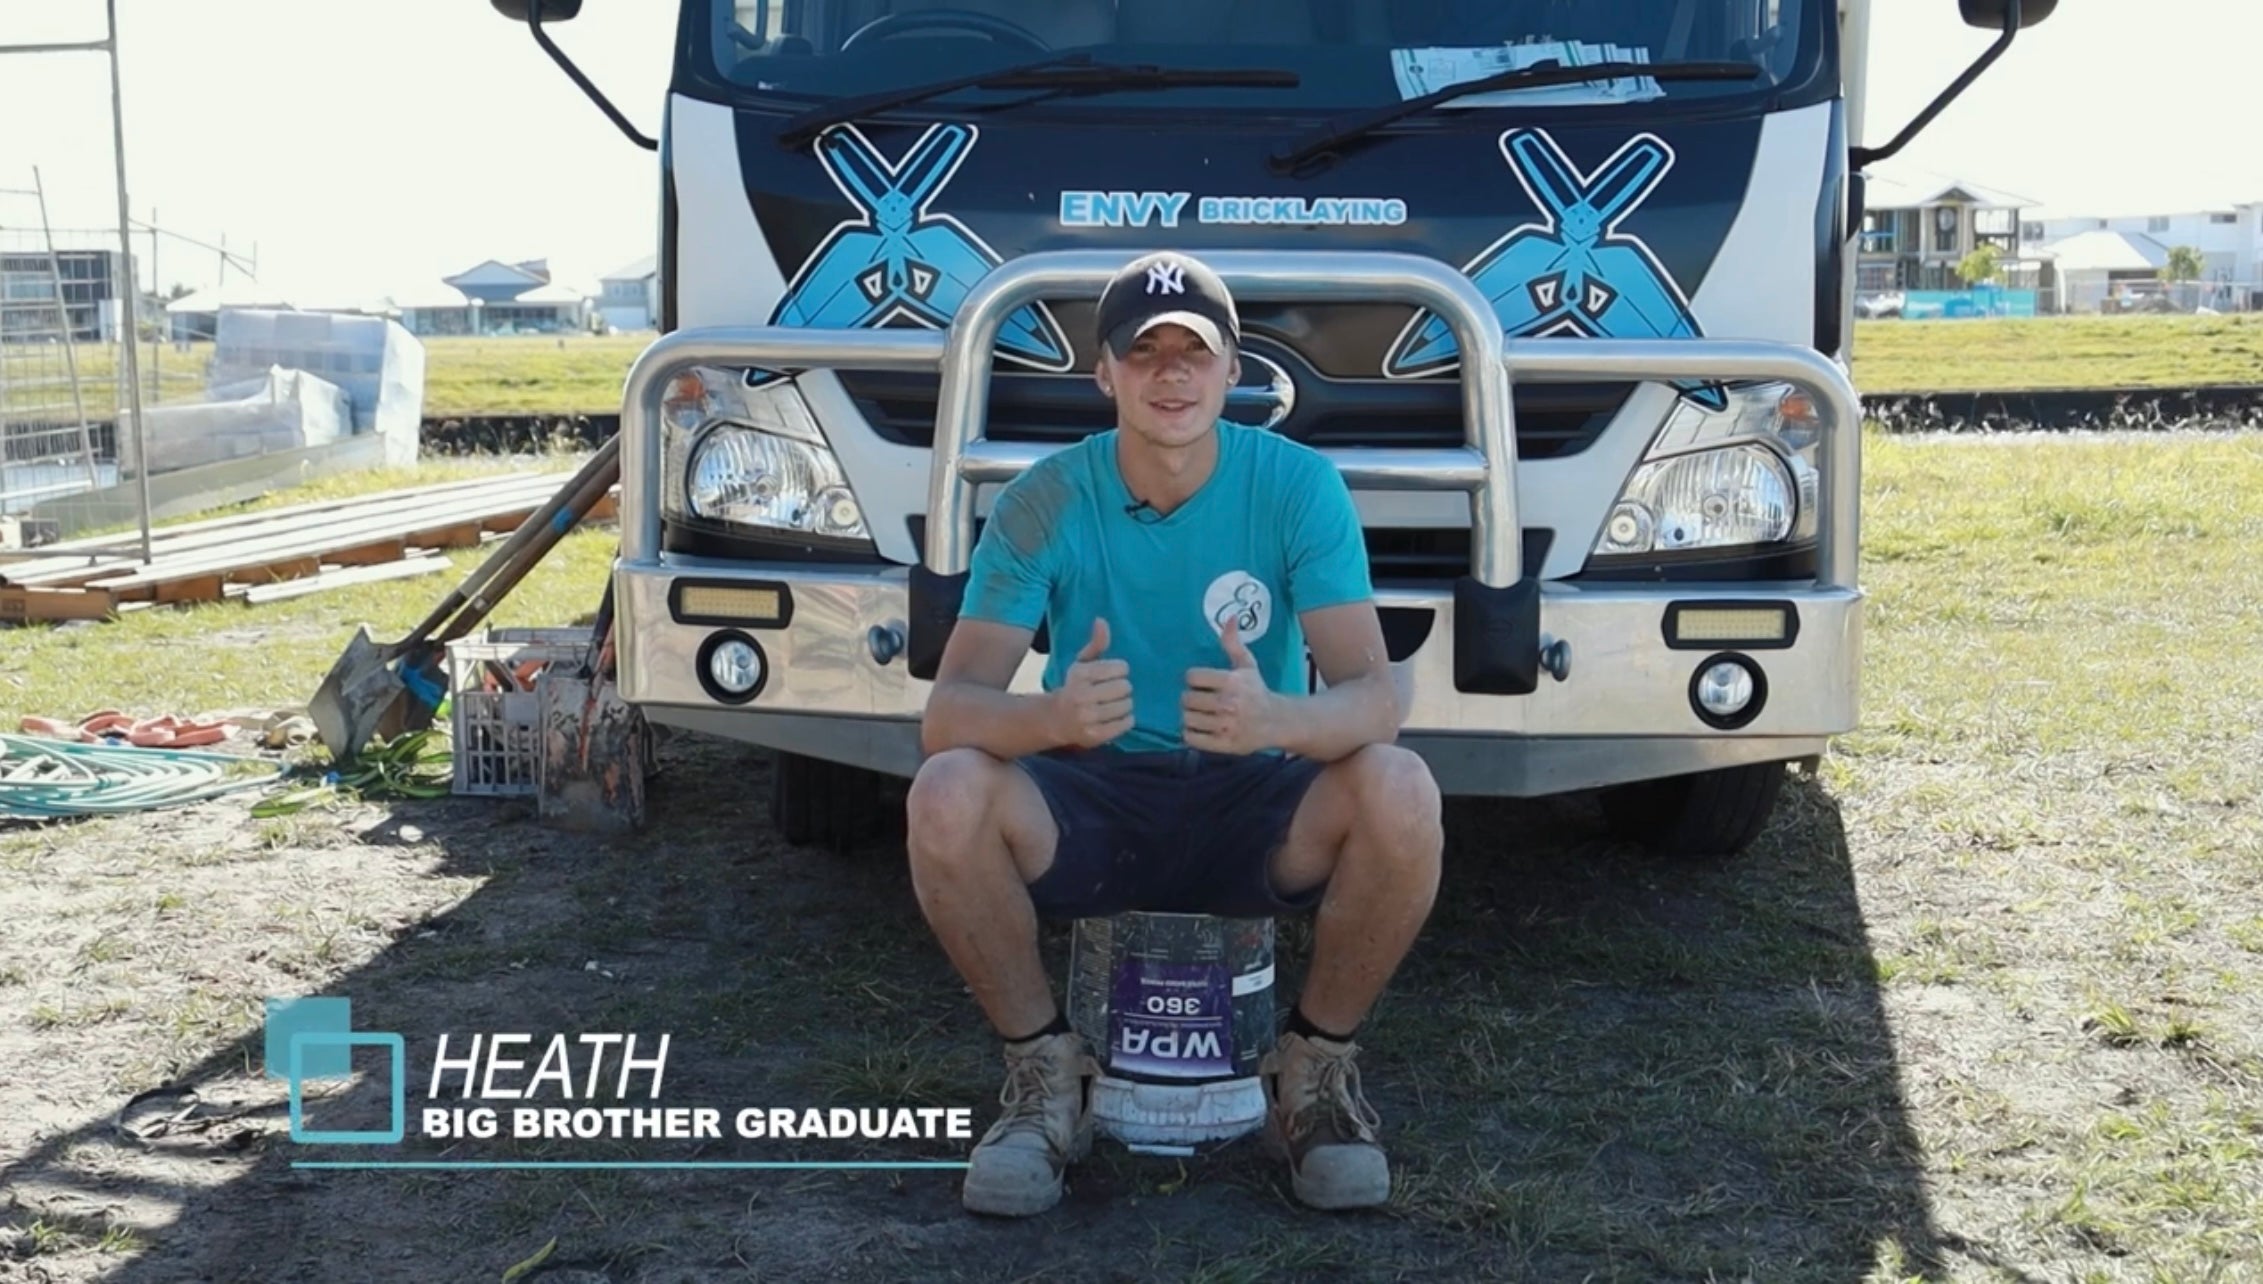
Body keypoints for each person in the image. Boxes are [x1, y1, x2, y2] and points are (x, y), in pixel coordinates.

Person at [906, 250, 1445, 1218]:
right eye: (1142, 351)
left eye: (1192, 351)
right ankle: (1042, 1076)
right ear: (1102, 373)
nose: (1170, 374)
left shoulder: (1296, 486)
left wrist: (1280, 719)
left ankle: (1313, 1074)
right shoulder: (1043, 498)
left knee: (1401, 788)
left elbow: (1373, 700)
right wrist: (1051, 717)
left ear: (1232, 369)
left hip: (1254, 796)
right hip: (1093, 794)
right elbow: (948, 716)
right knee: (945, 793)